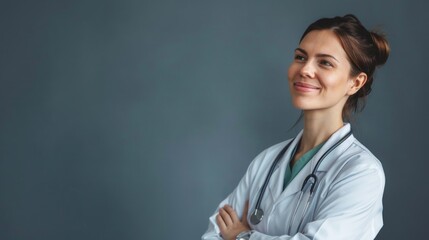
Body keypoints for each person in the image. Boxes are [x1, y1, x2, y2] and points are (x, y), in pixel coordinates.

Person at [202, 14, 390, 240]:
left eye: (325, 62)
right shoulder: (267, 161)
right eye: (300, 57)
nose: (305, 70)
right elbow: (213, 235)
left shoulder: (361, 172)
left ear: (355, 82)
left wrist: (242, 236)